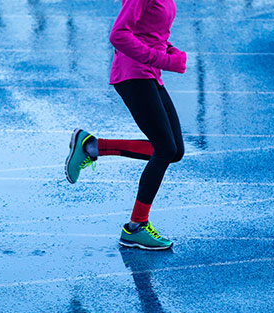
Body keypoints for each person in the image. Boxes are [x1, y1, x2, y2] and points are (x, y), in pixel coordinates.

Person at [64, 0, 187, 251]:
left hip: (149, 73)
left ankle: (91, 147)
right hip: (133, 74)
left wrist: (170, 51)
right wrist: (162, 59)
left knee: (174, 151)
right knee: (164, 149)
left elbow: (150, 32)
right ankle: (136, 227)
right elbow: (118, 35)